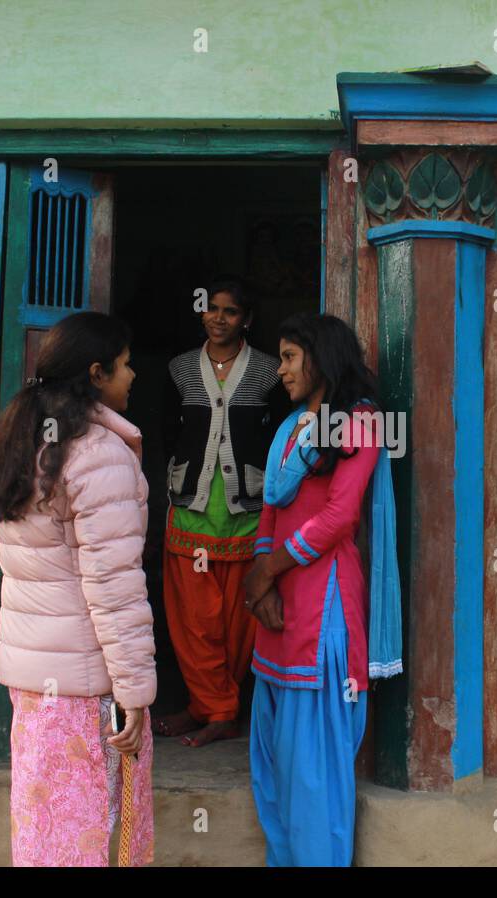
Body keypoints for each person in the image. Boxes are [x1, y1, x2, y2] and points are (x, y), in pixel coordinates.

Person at [0, 310, 155, 867]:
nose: (134, 377)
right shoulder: (98, 456)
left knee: (45, 833)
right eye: (125, 366)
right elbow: (114, 587)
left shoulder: (20, 445)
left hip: (36, 690)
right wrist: (134, 693)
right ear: (96, 373)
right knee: (93, 835)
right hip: (86, 690)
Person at [243, 312, 402, 867]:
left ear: (321, 357)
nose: (281, 369)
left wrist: (268, 572)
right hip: (278, 611)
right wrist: (262, 578)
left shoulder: (359, 421)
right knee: (273, 766)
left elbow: (339, 517)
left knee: (314, 773)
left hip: (324, 606)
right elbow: (269, 509)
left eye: (289, 357)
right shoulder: (290, 429)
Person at [157, 276, 288, 746]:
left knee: (238, 620)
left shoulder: (271, 373)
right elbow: (166, 434)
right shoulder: (178, 370)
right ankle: (208, 705)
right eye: (211, 308)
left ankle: (219, 709)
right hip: (190, 510)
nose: (218, 318)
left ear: (247, 320)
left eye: (230, 311)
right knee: (195, 621)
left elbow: (277, 441)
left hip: (246, 513)